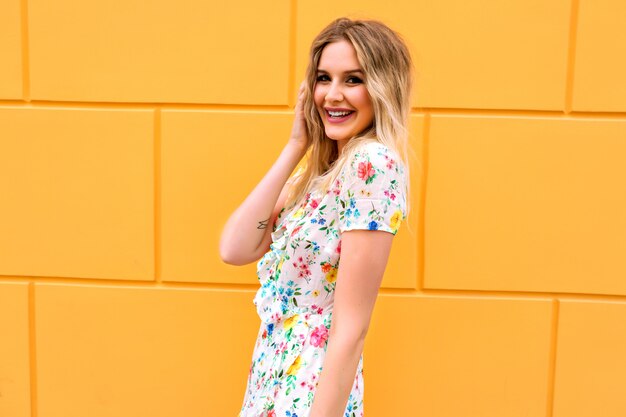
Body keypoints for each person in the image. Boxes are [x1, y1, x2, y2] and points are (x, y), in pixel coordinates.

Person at [220, 17, 413, 417]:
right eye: (324, 78)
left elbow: (351, 329)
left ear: (382, 87)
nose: (333, 95)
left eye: (353, 80)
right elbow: (233, 249)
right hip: (272, 379)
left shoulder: (371, 165)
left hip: (311, 392)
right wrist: (296, 144)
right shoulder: (317, 177)